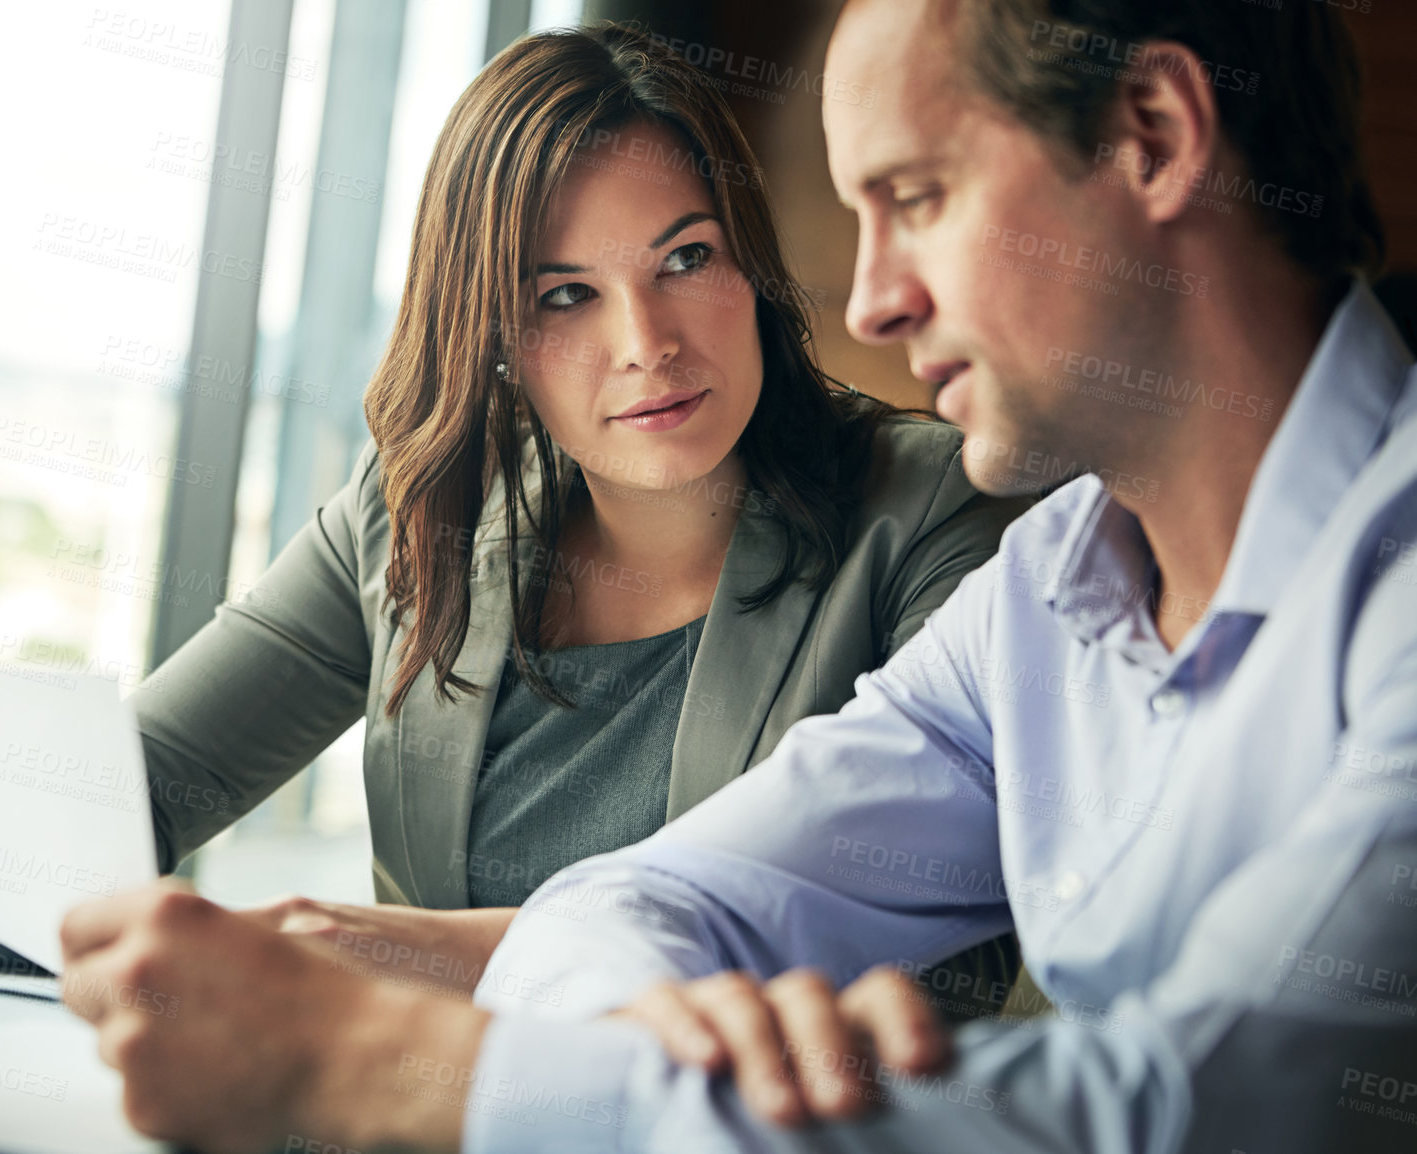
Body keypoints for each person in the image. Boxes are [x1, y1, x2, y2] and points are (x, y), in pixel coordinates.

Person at [60, 1, 1417, 1150]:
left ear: (1157, 138)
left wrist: (391, 1066)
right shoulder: (1052, 594)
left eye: (919, 197)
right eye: (562, 295)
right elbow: (642, 897)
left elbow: (1200, 1110)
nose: (873, 301)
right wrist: (658, 1025)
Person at [133, 24, 1021, 998]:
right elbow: (132, 787)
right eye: (565, 295)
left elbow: (946, 961)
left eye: (685, 259)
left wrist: (427, 958)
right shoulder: (416, 519)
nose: (645, 342)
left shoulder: (931, 505)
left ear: (751, 270)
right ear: (496, 332)